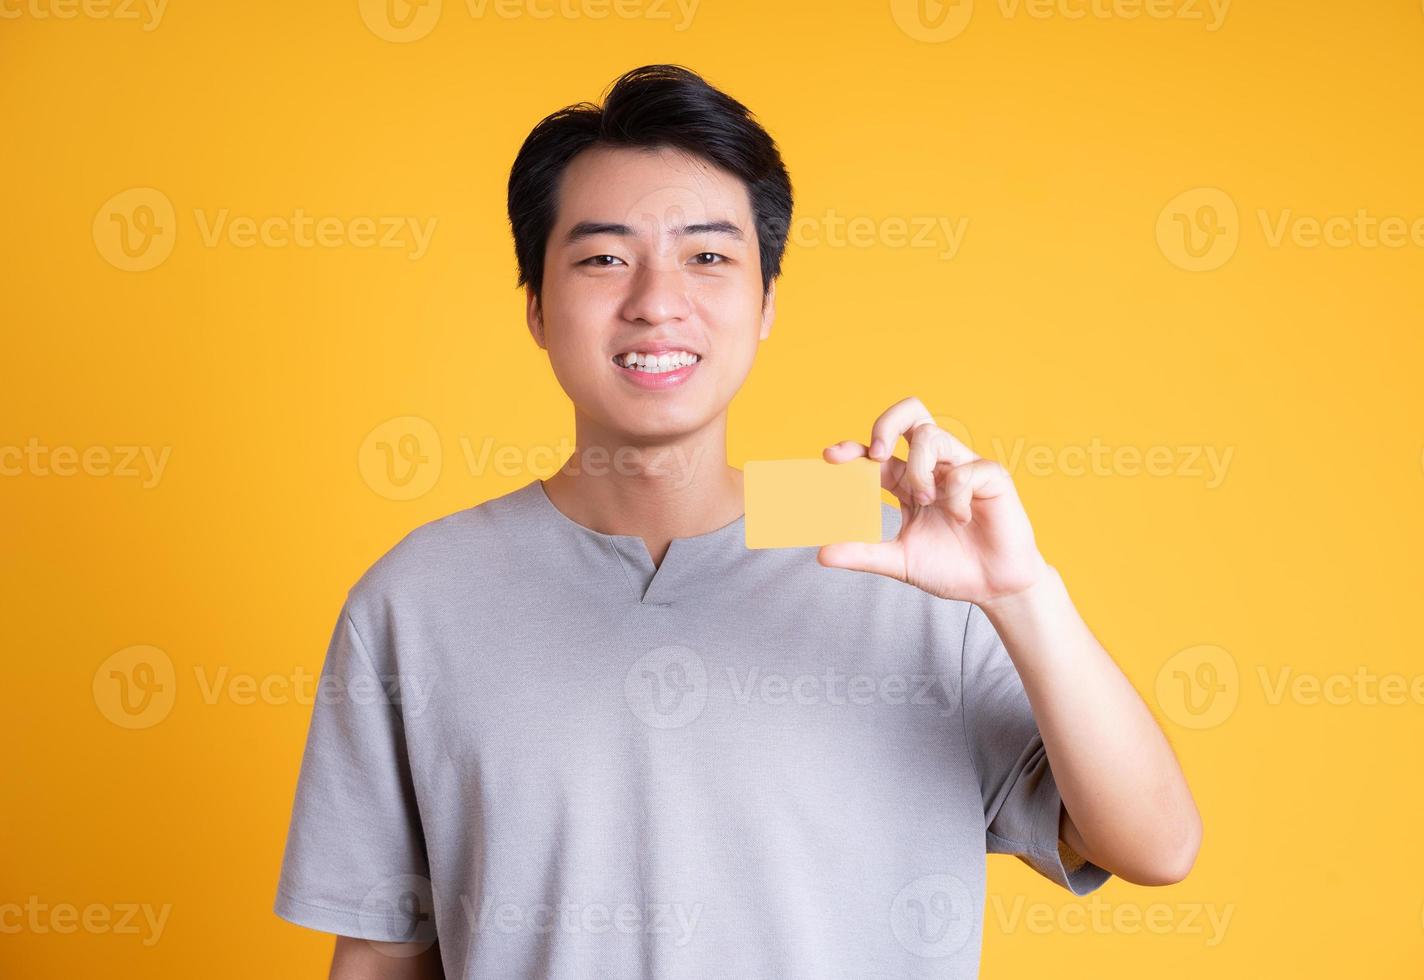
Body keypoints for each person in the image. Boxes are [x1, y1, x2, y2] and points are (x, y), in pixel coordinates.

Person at [273, 63, 1202, 979]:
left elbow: (1154, 846)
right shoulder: (421, 594)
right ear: (536, 308)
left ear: (765, 307)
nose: (656, 302)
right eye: (603, 257)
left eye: (708, 256)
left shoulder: (890, 548)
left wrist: (1023, 596)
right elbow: (386, 951)